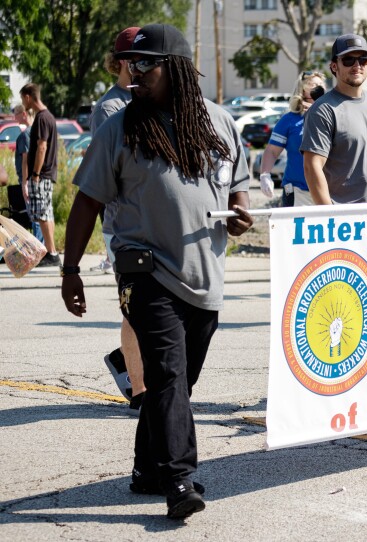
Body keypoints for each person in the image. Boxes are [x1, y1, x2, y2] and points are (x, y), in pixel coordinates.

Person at [60, 23, 253, 519]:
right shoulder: (120, 127)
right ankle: (179, 480)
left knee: (180, 384)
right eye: (131, 63)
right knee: (166, 377)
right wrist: (70, 269)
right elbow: (86, 202)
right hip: (144, 270)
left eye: (146, 63)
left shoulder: (220, 124)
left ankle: (148, 469)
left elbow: (238, 188)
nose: (134, 71)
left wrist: (239, 213)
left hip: (204, 274)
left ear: (178, 69)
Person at [89, 27, 147, 412]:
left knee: (159, 307)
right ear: (124, 62)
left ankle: (123, 358)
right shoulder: (110, 108)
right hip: (122, 223)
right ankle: (141, 391)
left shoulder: (155, 98)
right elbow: (105, 172)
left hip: (155, 219)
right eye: (142, 58)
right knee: (136, 306)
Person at [301, 33, 367, 204]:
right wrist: (330, 219)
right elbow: (312, 167)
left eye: (363, 59)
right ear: (334, 66)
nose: (357, 65)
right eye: (348, 60)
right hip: (346, 224)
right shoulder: (323, 110)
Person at [259, 70, 326, 207]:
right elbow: (272, 151)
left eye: (321, 84)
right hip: (298, 192)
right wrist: (264, 175)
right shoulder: (290, 120)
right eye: (313, 84)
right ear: (302, 89)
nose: (319, 88)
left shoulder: (330, 117)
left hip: (328, 191)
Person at [19, 83, 60, 267]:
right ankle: (52, 252)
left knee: (42, 215)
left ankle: (51, 254)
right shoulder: (48, 116)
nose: (23, 103)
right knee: (47, 214)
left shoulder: (42, 118)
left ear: (28, 97)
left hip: (41, 174)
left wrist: (35, 174)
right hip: (47, 174)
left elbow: (42, 147)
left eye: (22, 98)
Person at [12, 104, 44, 243]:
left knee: (34, 216)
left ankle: (38, 248)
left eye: (16, 114)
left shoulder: (25, 135)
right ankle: (43, 248)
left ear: (24, 114)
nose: (14, 117)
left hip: (29, 180)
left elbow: (25, 160)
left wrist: (25, 183)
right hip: (39, 177)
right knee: (40, 215)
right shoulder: (38, 131)